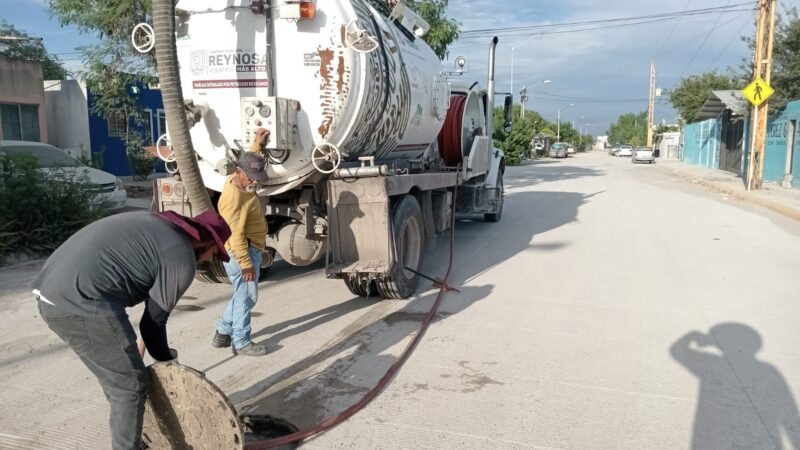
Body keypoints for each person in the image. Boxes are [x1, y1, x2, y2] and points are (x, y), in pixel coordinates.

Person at [34, 209, 232, 450]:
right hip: (81, 303)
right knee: (129, 386)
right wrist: (170, 361)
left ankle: (129, 435)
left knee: (121, 379)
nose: (211, 259)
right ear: (207, 241)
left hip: (51, 293)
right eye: (214, 252)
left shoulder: (155, 225)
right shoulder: (181, 257)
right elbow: (152, 325)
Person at [212, 129, 270, 356]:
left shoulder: (237, 179)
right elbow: (234, 235)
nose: (255, 181)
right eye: (251, 178)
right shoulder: (232, 199)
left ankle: (222, 332)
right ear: (238, 173)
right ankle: (242, 342)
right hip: (240, 252)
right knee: (247, 297)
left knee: (242, 295)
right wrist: (246, 263)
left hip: (246, 248)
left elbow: (248, 161)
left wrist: (257, 145)